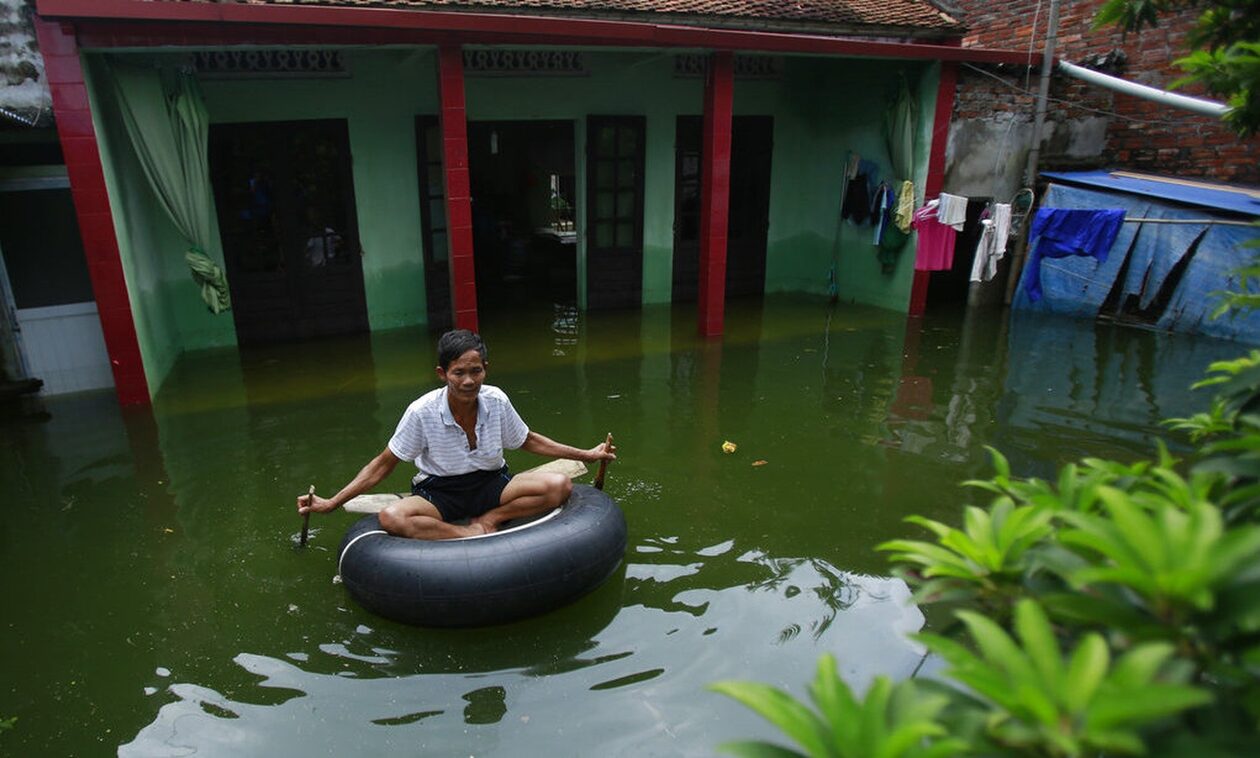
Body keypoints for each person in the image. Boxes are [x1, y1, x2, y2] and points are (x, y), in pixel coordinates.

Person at [297, 329, 615, 539]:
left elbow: (528, 440)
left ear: (485, 369)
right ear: (443, 374)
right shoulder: (422, 412)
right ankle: (465, 535)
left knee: (559, 485)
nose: (468, 381)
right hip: (439, 493)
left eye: (475, 371)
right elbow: (383, 465)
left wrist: (588, 454)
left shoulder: (496, 400)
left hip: (492, 484)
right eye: (458, 372)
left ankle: (491, 519)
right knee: (393, 518)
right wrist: (332, 503)